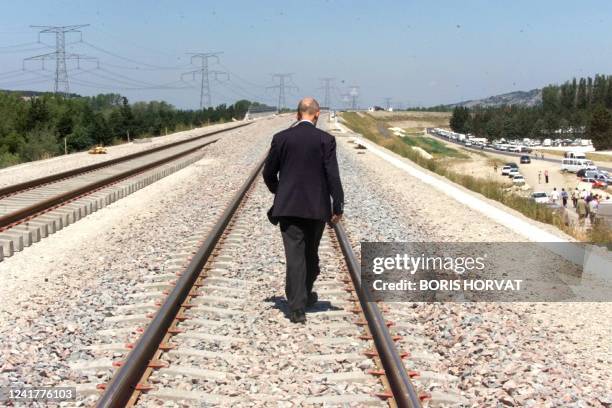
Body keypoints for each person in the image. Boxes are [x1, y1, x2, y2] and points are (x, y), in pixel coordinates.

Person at [263, 97, 344, 324]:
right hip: (316, 207)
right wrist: (338, 204)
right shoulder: (326, 140)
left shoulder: (281, 138)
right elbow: (332, 175)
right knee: (310, 253)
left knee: (295, 255)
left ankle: (299, 304)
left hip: (288, 208)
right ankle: (300, 300)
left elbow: (268, 173)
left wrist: (279, 192)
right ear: (317, 114)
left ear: (298, 114)